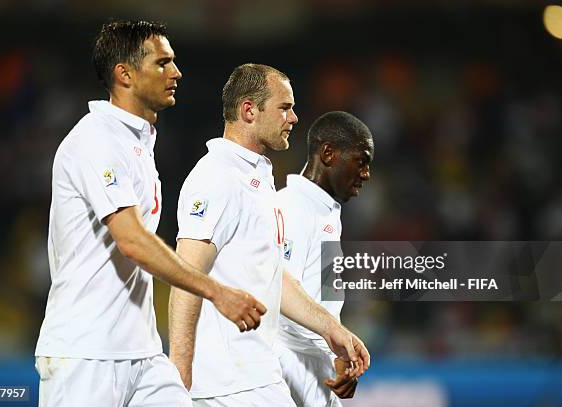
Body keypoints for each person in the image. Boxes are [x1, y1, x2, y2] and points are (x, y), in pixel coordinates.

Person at [34, 20, 266, 407]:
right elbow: (131, 241)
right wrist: (216, 292)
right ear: (124, 74)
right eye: (162, 63)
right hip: (85, 354)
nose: (176, 73)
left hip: (142, 352)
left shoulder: (136, 140)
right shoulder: (97, 138)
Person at [169, 64, 369, 406]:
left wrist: (330, 328)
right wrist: (179, 376)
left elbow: (274, 276)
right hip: (227, 383)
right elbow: (185, 277)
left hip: (256, 376)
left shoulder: (258, 180)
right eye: (285, 107)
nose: (293, 118)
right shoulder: (216, 177)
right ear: (249, 111)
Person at [276, 111, 374, 406]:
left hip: (316, 366)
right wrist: (334, 336)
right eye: (361, 161)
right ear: (329, 153)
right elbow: (278, 290)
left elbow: (325, 297)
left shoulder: (328, 213)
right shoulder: (289, 206)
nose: (366, 174)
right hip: (283, 367)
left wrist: (338, 352)